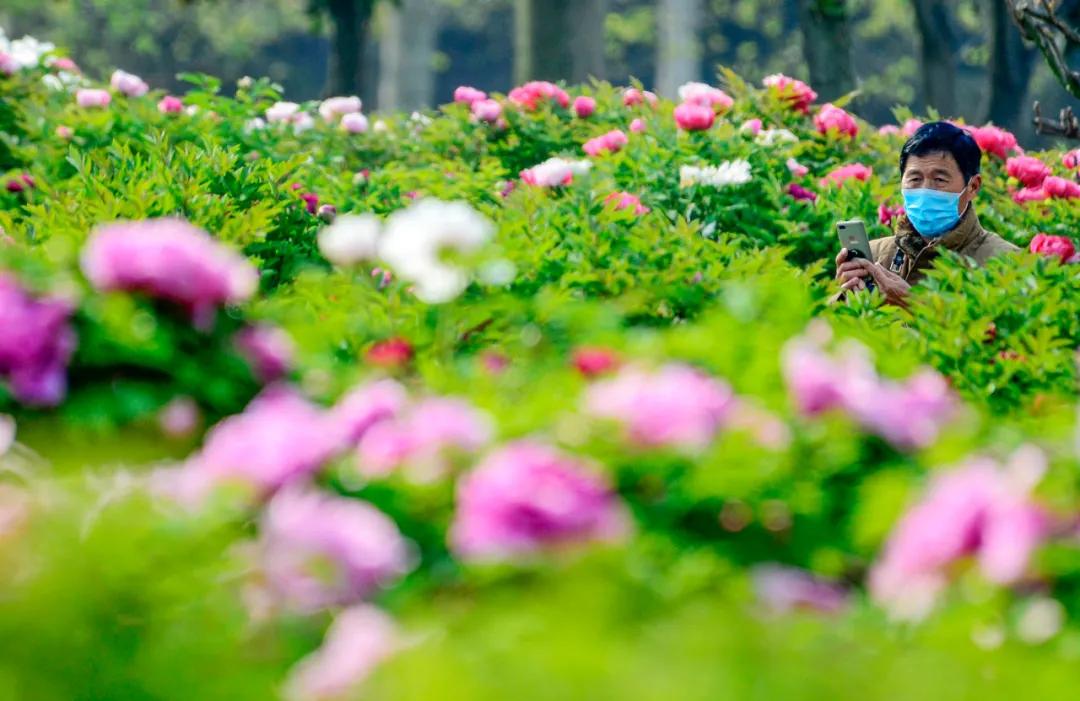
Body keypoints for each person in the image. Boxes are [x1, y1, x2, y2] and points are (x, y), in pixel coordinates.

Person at [833, 121, 1019, 307]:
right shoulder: (875, 256)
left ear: (973, 186)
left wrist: (913, 303)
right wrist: (846, 299)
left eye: (939, 179)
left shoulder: (1006, 263)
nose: (925, 190)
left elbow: (1003, 332)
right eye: (915, 179)